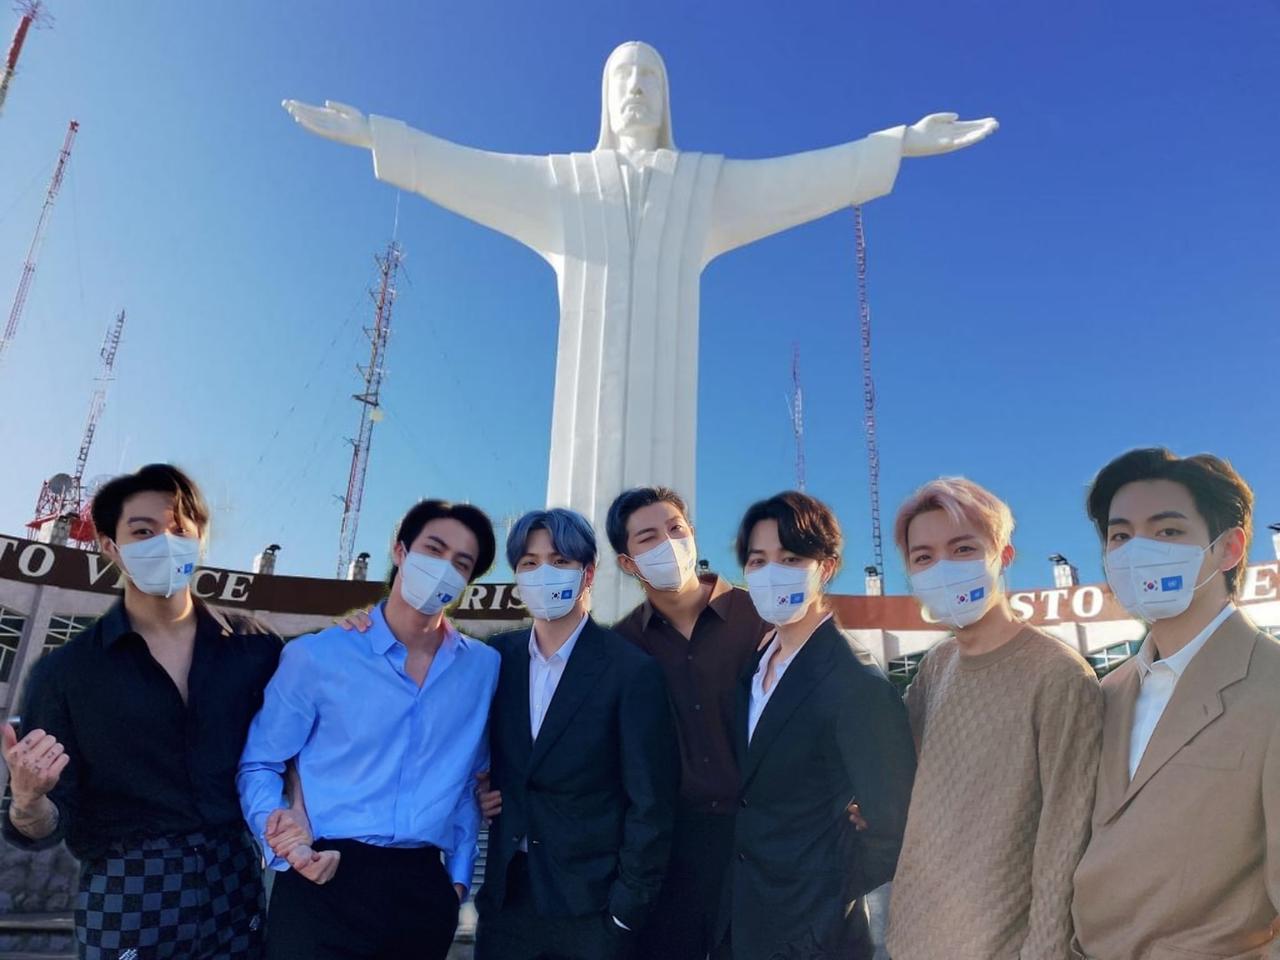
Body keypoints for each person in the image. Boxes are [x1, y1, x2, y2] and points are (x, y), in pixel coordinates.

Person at [0, 464, 281, 960]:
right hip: (128, 890)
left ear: (200, 541)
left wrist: (366, 628)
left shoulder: (256, 647)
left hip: (236, 885)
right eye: (144, 532)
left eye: (179, 530)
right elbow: (43, 824)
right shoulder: (65, 673)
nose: (165, 544)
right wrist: (27, 800)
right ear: (111, 546)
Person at [238, 499, 501, 960]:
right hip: (324, 877)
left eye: (461, 563)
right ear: (400, 551)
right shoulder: (318, 656)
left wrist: (457, 879)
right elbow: (261, 761)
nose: (444, 568)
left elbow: (467, 778)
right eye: (433, 549)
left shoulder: (482, 668)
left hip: (422, 889)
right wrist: (283, 839)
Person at [1071, 449, 1280, 960]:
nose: (1137, 551)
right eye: (1120, 536)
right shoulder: (1106, 691)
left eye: (1167, 531)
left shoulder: (1271, 683)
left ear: (1228, 548)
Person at [885, 477, 1103, 959]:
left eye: (963, 548)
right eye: (923, 557)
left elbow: (1066, 835)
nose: (942, 568)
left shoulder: (1060, 675)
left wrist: (1045, 951)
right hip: (911, 937)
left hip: (998, 946)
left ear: (1003, 555)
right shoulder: (937, 665)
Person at [718, 491, 915, 960]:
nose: (771, 573)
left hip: (812, 935)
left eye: (790, 558)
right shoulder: (755, 667)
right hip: (739, 918)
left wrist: (823, 892)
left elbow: (893, 825)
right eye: (758, 560)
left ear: (825, 568)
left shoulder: (854, 679)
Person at [474, 507, 678, 960]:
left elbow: (651, 802)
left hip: (592, 908)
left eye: (560, 561)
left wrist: (625, 910)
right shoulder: (496, 658)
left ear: (587, 574)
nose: (543, 573)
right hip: (507, 901)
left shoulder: (630, 670)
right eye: (529, 563)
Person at [606, 486, 769, 960]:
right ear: (627, 563)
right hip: (673, 847)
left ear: (693, 536)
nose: (668, 544)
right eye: (648, 537)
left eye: (676, 529)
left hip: (762, 836)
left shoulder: (761, 615)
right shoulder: (623, 646)